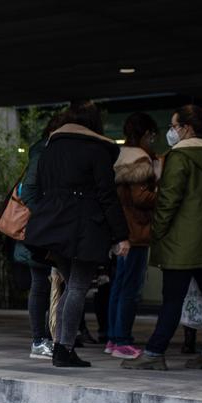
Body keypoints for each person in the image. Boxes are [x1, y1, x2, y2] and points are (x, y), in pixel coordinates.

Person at [23, 101, 129, 368]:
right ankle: (63, 348)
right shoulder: (97, 150)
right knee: (78, 287)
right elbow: (107, 195)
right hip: (84, 227)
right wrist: (121, 235)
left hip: (52, 226)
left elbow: (40, 187)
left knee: (71, 286)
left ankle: (62, 346)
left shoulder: (50, 148)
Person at [125, 105, 202, 371]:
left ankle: (154, 352)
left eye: (173, 126)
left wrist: (158, 233)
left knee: (173, 298)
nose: (171, 132)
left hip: (182, 241)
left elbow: (168, 200)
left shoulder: (180, 156)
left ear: (187, 128)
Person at [105, 113, 159, 359]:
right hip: (136, 231)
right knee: (130, 288)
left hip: (119, 230)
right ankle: (122, 340)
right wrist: (163, 193)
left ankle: (113, 338)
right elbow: (141, 198)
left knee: (118, 286)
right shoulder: (140, 160)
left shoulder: (119, 157)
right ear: (147, 133)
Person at [19, 115, 63, 359]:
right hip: (39, 230)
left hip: (45, 227)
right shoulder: (42, 153)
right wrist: (46, 217)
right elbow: (29, 192)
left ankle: (48, 336)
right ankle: (39, 339)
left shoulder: (47, 152)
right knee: (39, 284)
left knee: (47, 285)